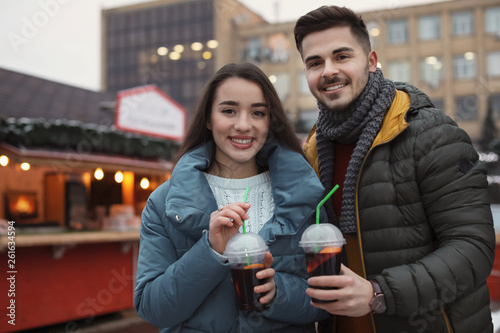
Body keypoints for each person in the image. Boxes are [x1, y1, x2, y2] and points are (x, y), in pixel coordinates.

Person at [293, 5, 496, 333]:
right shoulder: (314, 148)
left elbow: (472, 248)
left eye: (342, 56)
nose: (328, 70)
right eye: (315, 62)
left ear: (372, 62)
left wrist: (378, 293)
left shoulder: (430, 133)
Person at [134, 62, 330, 332]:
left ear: (270, 120)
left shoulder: (304, 195)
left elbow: (328, 300)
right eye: (229, 110)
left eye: (258, 113)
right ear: (207, 118)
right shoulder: (164, 202)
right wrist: (211, 250)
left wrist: (278, 292)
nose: (243, 125)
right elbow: (153, 308)